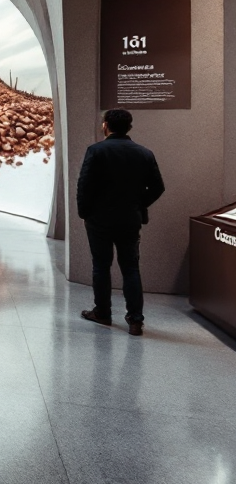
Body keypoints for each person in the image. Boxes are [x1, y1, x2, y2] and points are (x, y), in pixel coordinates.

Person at [77, 108, 164, 336]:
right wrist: (138, 204)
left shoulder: (96, 150)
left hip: (99, 219)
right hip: (129, 218)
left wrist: (84, 213)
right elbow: (158, 187)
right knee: (131, 268)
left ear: (105, 125)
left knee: (101, 266)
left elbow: (84, 186)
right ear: (130, 127)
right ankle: (135, 320)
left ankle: (103, 312)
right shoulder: (145, 153)